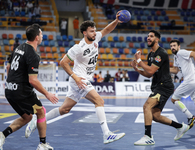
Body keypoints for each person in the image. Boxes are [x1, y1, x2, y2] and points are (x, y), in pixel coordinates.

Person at [25, 12, 125, 144]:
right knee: (99, 101)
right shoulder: (78, 47)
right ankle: (106, 134)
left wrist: (116, 21)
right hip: (79, 80)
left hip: (80, 81)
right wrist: (76, 78)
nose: (95, 33)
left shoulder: (96, 39)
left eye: (95, 31)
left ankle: (37, 119)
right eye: (91, 31)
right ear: (84, 33)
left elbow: (107, 29)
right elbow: (63, 62)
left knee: (64, 109)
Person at [0, 24, 59, 150]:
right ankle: (42, 144)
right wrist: (47, 93)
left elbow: (9, 67)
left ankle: (2, 135)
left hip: (9, 90)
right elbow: (33, 80)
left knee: (27, 117)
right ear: (37, 37)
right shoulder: (32, 54)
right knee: (41, 112)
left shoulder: (18, 48)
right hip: (21, 91)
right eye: (41, 33)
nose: (42, 36)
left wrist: (12, 80)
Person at [131, 30, 189, 145]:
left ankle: (148, 136)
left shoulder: (161, 53)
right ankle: (181, 127)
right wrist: (137, 69)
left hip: (164, 85)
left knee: (146, 106)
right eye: (148, 36)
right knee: (155, 116)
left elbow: (151, 69)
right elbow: (149, 74)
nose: (148, 38)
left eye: (151, 36)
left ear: (157, 39)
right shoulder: (151, 55)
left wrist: (139, 61)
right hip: (158, 86)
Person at [169, 39, 195, 128]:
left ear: (179, 46)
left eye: (174, 45)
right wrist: (162, 69)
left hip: (190, 80)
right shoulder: (176, 57)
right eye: (171, 46)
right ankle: (191, 117)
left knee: (174, 99)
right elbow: (175, 70)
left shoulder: (181, 52)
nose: (172, 47)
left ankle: (191, 117)